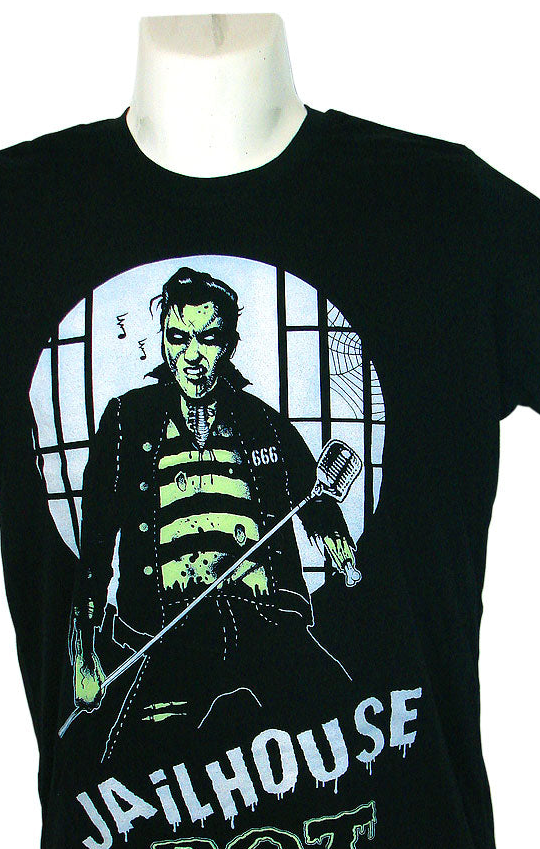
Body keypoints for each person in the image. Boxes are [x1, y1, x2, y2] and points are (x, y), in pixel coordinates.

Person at [67, 266, 361, 765]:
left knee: (343, 718)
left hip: (266, 620)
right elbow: (94, 544)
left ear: (231, 344)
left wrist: (338, 547)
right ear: (163, 340)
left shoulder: (263, 422)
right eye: (178, 338)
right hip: (170, 631)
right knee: (135, 761)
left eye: (208, 339)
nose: (192, 356)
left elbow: (315, 496)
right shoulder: (126, 421)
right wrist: (84, 649)